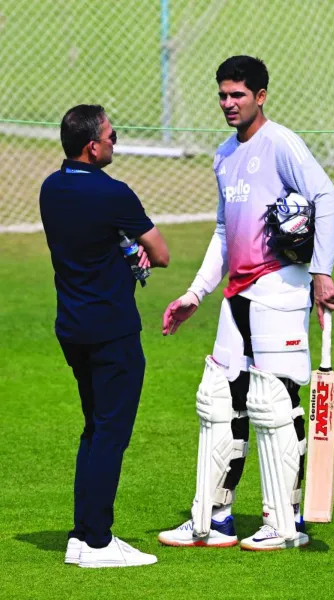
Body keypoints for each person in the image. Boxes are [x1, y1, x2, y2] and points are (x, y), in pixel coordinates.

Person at [158, 56, 334, 551]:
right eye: (222, 95)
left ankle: (286, 524)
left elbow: (327, 200)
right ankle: (213, 519)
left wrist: (320, 273)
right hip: (236, 294)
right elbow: (223, 231)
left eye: (237, 94)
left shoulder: (281, 144)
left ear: (261, 95)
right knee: (218, 400)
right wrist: (196, 292)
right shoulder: (223, 155)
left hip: (279, 288)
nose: (228, 103)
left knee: (273, 402)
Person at [40, 104, 169, 568]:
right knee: (111, 434)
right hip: (112, 330)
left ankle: (81, 535)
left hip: (71, 328)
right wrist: (130, 248)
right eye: (112, 136)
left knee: (94, 430)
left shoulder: (50, 188)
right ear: (92, 145)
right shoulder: (114, 194)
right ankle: (97, 542)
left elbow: (87, 242)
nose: (116, 141)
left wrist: (119, 247)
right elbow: (161, 252)